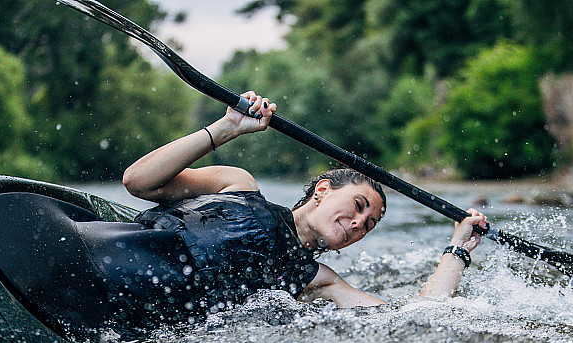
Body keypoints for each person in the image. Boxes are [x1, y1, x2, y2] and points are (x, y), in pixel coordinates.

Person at [121, 91, 487, 318]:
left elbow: (414, 315)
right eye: (359, 206)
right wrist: (225, 129)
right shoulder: (236, 184)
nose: (360, 223)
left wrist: (457, 249)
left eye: (370, 224)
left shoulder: (316, 281)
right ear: (323, 190)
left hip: (129, 315)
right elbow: (138, 182)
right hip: (109, 251)